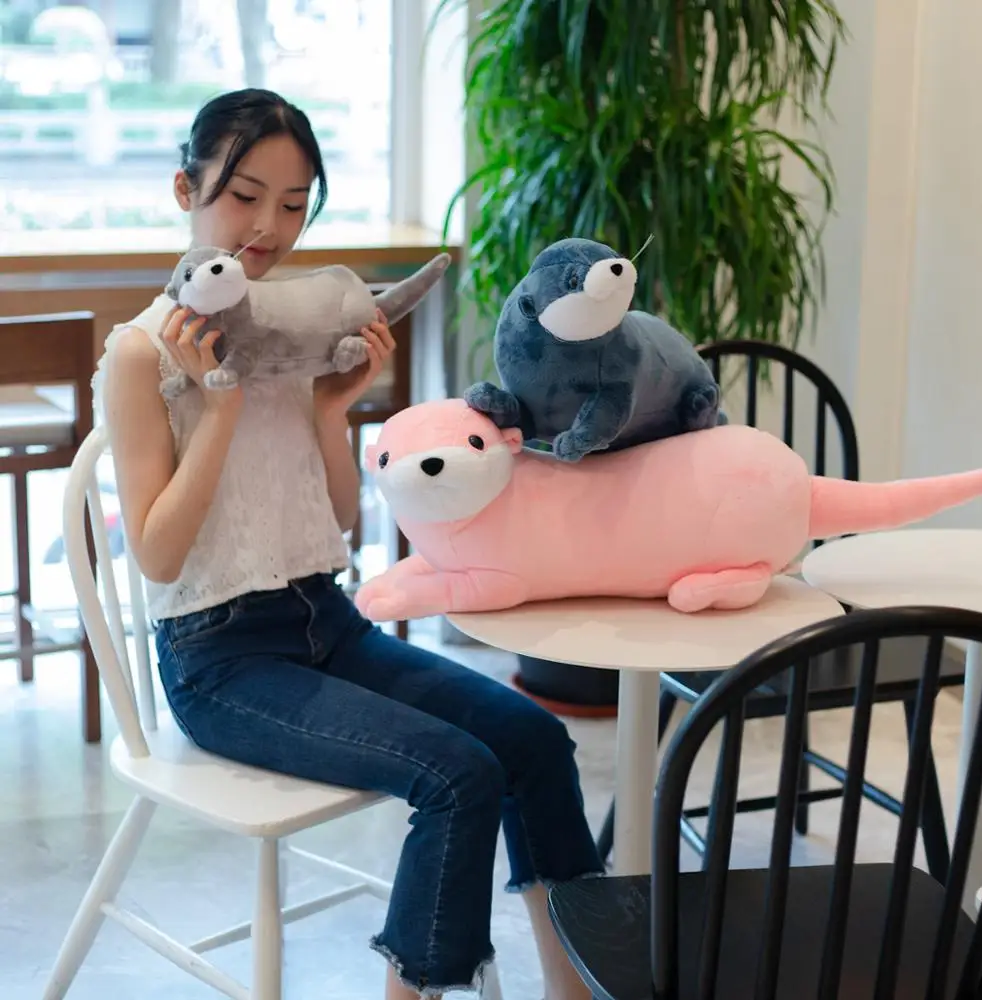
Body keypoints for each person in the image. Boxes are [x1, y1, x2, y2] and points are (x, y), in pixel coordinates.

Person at [97, 88, 605, 1000]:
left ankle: (575, 985)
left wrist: (331, 409)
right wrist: (220, 405)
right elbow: (158, 558)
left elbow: (334, 519)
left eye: (294, 204)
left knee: (532, 739)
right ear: (185, 189)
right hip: (219, 663)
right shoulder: (143, 354)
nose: (269, 227)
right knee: (457, 776)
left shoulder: (293, 330)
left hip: (326, 624)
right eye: (244, 196)